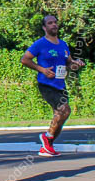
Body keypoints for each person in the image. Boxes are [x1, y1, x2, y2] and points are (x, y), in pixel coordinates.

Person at [21, 15, 85, 157]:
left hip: (60, 85)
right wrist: (42, 70)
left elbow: (69, 63)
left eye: (55, 22)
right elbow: (25, 59)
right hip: (46, 84)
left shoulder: (63, 44)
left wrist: (76, 63)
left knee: (64, 113)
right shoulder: (40, 44)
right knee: (63, 109)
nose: (54, 25)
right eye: (50, 23)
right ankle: (47, 139)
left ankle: (48, 142)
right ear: (44, 27)